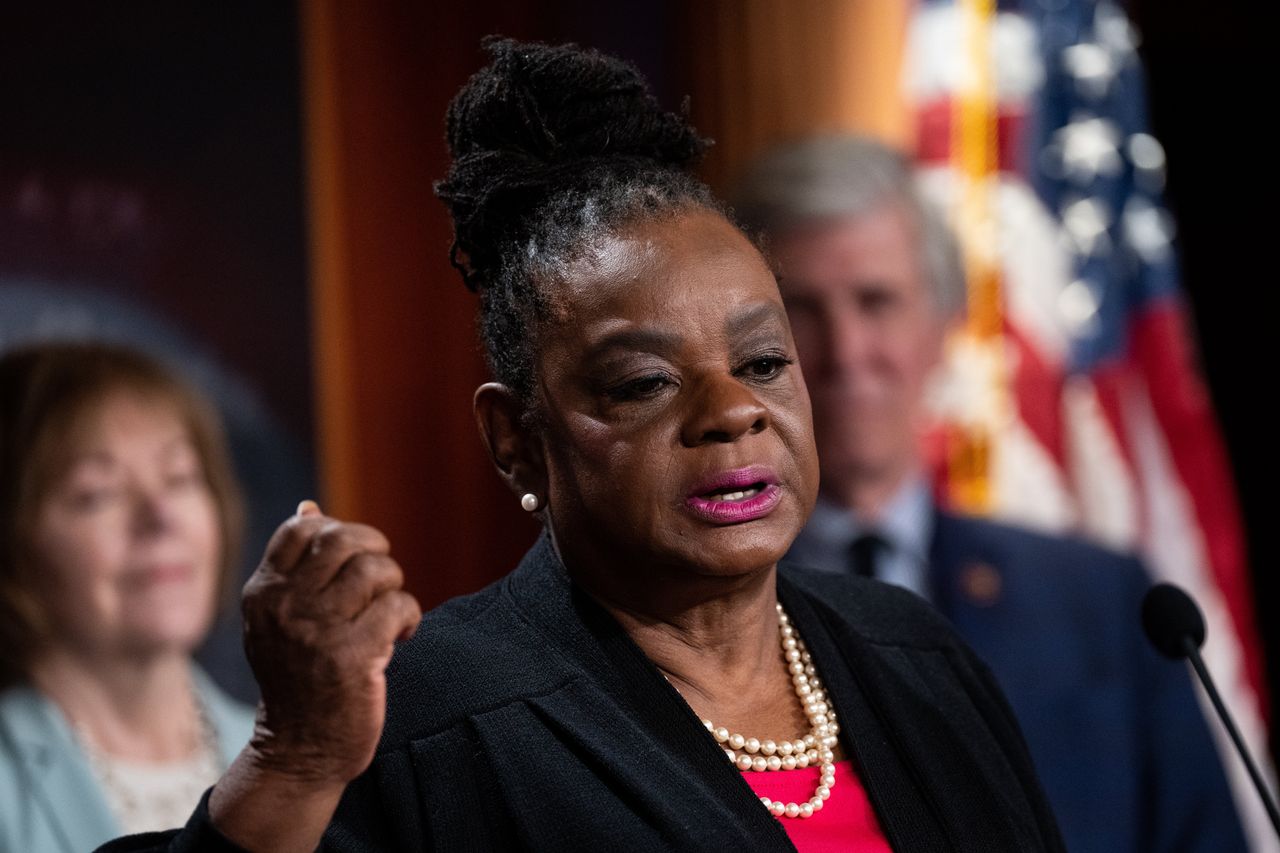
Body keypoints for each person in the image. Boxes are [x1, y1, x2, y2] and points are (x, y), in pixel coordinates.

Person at [99, 40, 1064, 852]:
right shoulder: (425, 718)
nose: (732, 412)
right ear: (516, 439)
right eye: (645, 383)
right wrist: (293, 764)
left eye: (764, 362)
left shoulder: (914, 657)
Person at [731, 134, 1247, 852]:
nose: (847, 352)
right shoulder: (696, 612)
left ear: (942, 328)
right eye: (801, 311)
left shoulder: (1103, 603)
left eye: (876, 302)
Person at [0, 342, 256, 852]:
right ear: (11, 537)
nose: (161, 518)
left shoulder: (288, 755)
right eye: (98, 493)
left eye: (180, 478)